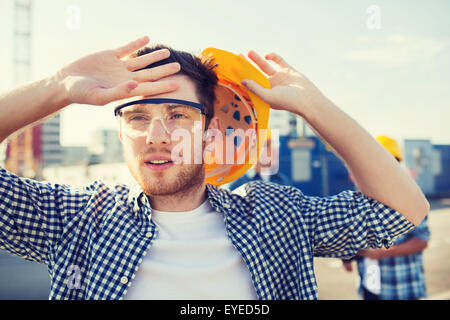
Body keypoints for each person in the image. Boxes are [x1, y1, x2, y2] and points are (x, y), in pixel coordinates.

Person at [0, 36, 429, 300]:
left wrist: (311, 106)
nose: (157, 134)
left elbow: (403, 209)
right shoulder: (76, 220)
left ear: (209, 134)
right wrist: (56, 89)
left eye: (178, 114)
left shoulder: (275, 217)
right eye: (137, 118)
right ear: (121, 134)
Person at [342, 136, 431, 300]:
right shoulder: (361, 198)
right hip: (370, 287)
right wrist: (347, 256)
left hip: (402, 289)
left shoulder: (409, 197)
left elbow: (422, 240)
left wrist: (387, 252)